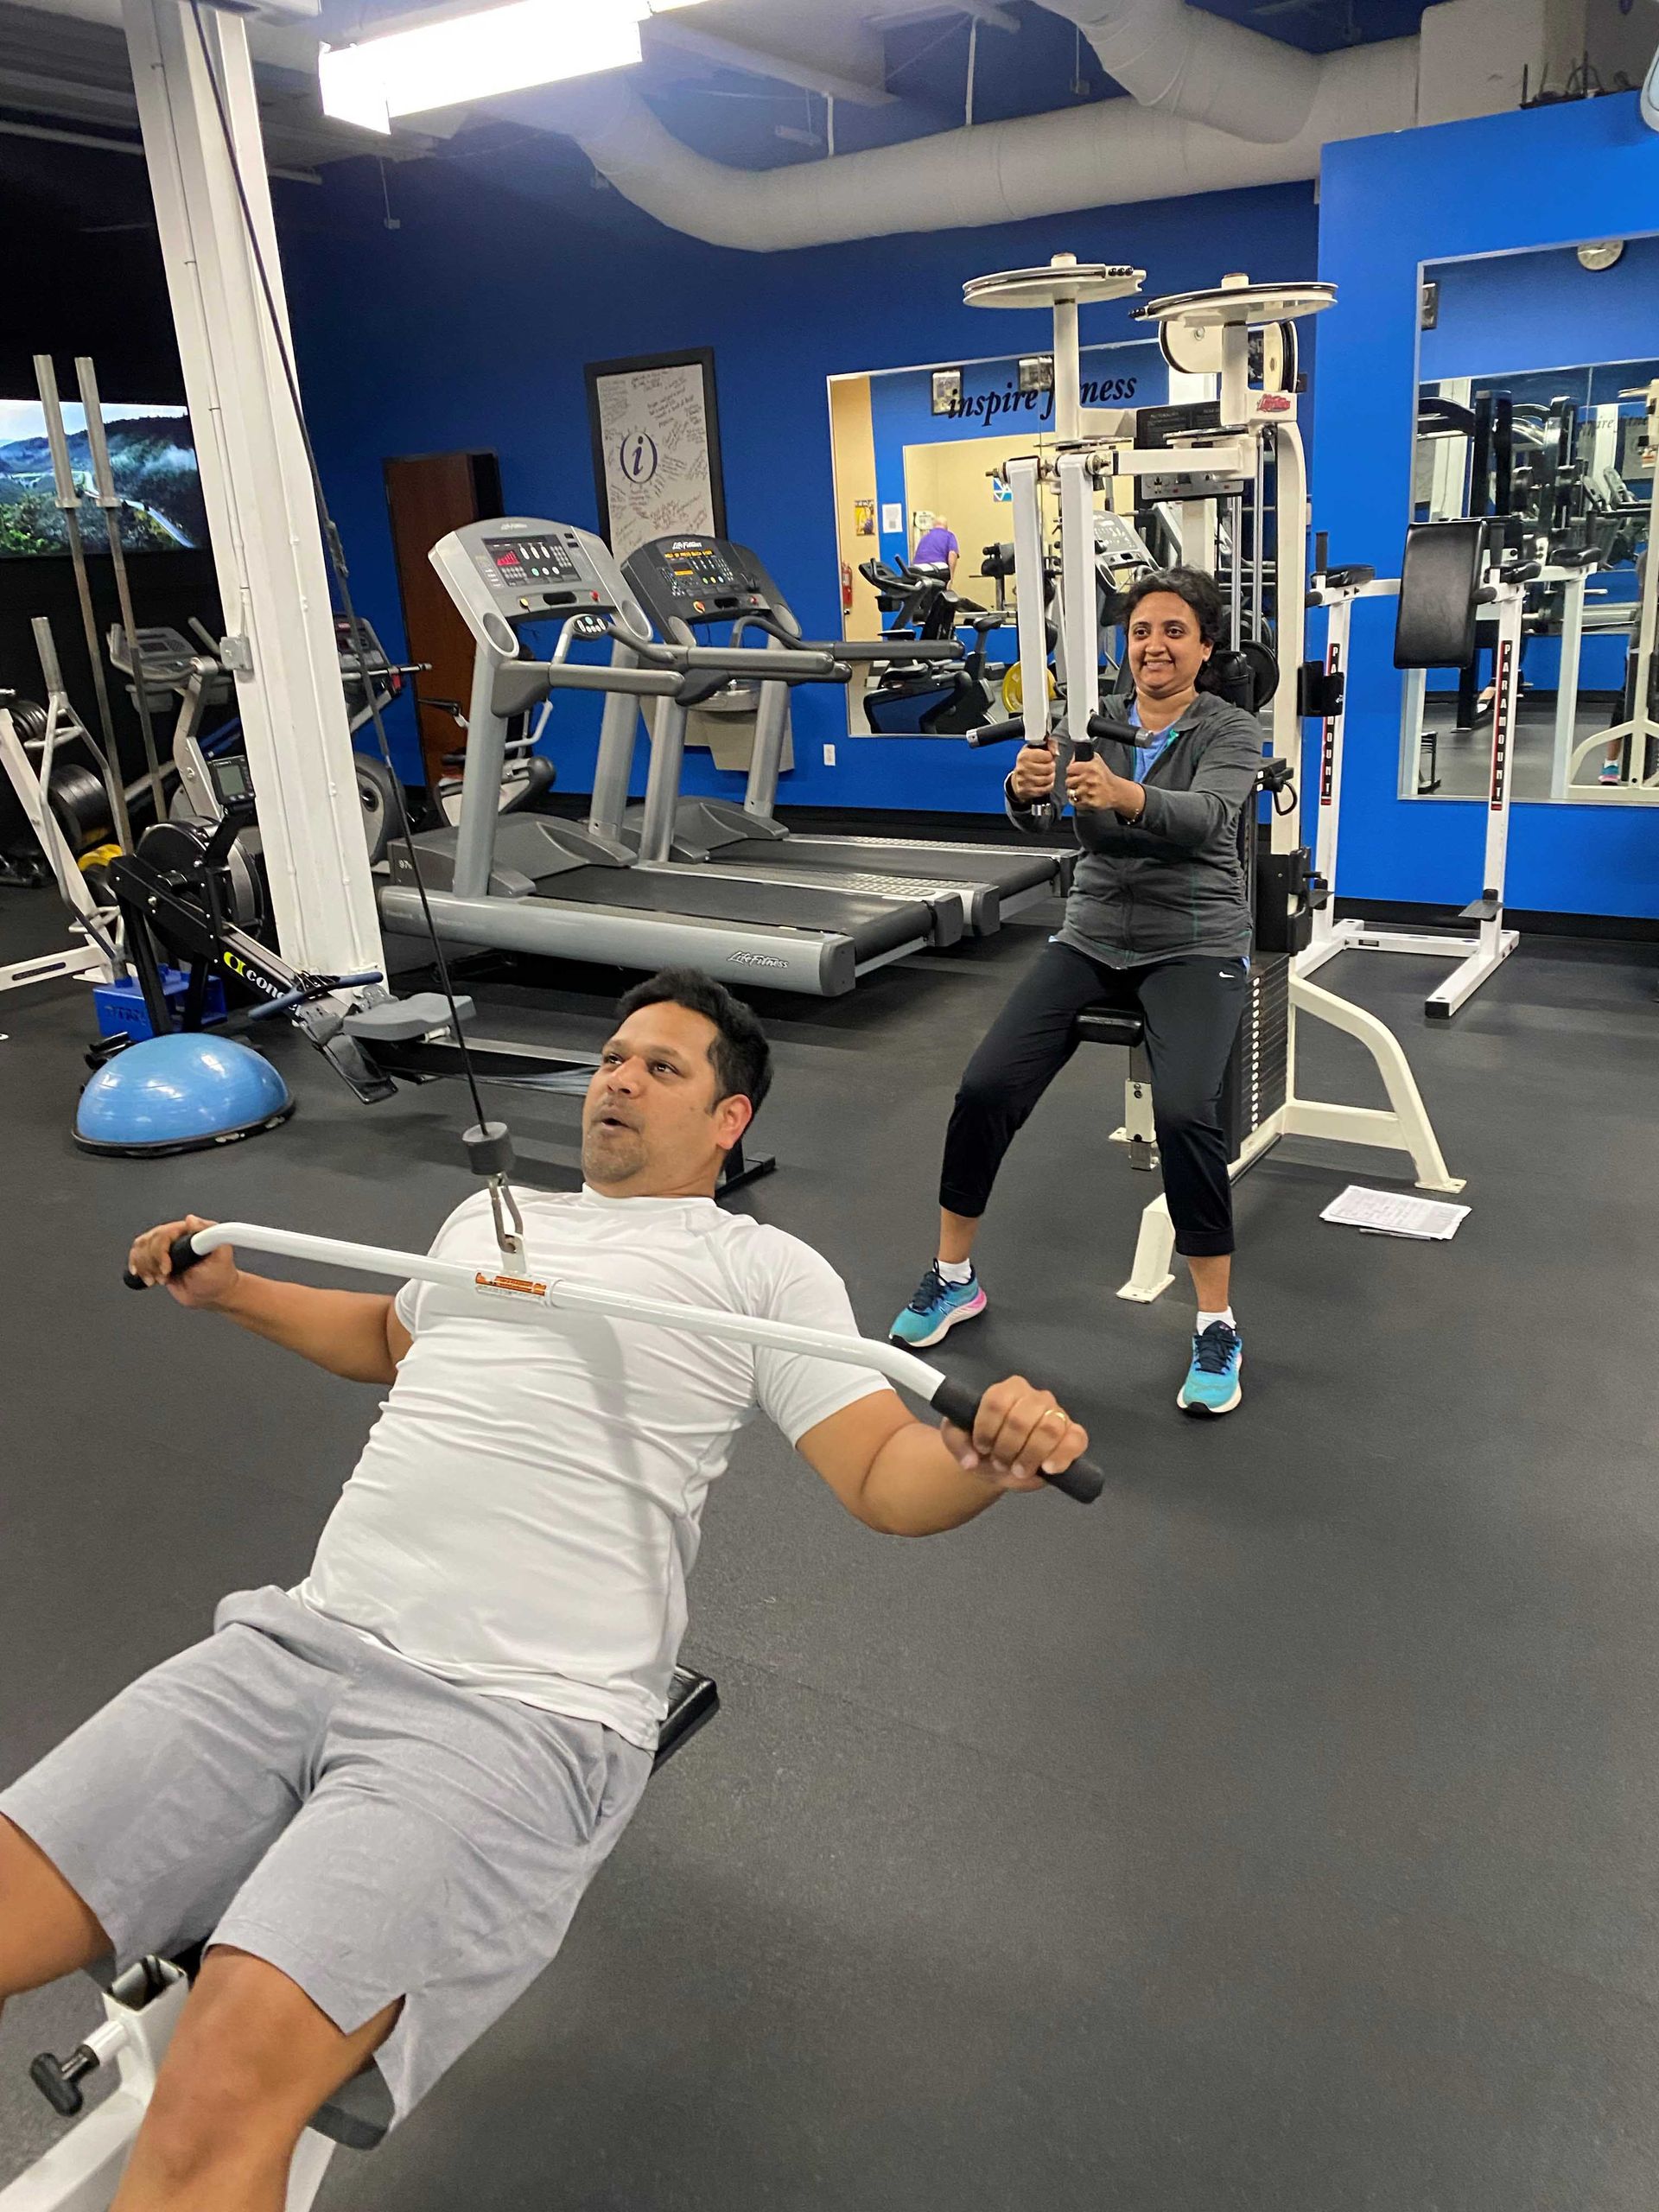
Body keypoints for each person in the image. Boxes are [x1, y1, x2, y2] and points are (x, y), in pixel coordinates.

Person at [0, 968, 1088, 2212]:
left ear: (730, 1121)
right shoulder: (491, 1223)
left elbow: (884, 1475)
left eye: (661, 1068)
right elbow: (386, 1343)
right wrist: (233, 1287)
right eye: (616, 1057)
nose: (618, 1078)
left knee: (213, 2102)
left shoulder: (761, 1271)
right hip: (293, 1647)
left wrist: (980, 1461)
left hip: (512, 1719)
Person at [891, 568, 1264, 1418]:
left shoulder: (1231, 730)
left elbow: (1207, 819)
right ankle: (954, 1278)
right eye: (1140, 631)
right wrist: (1023, 793)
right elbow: (1047, 812)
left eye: (1174, 631)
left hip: (1193, 943)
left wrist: (1128, 794)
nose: (1154, 646)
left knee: (1185, 1114)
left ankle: (1217, 1323)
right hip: (1094, 934)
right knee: (985, 1085)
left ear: (1205, 648)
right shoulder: (1091, 718)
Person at [912, 516, 960, 581]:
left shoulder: (925, 537)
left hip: (918, 569)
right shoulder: (949, 536)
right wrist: (951, 578)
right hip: (937, 569)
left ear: (934, 526)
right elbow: (952, 554)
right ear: (946, 527)